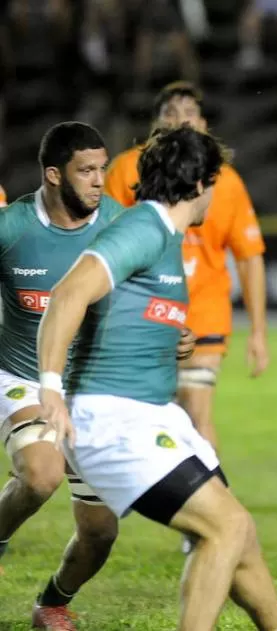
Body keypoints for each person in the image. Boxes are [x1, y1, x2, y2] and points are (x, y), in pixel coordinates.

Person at [37, 126, 277, 630]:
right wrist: (49, 388)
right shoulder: (145, 229)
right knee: (226, 527)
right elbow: (68, 296)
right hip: (113, 420)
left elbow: (124, 312)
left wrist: (169, 338)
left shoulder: (165, 235)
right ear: (200, 184)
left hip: (154, 413)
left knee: (240, 534)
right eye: (216, 182)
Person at [0, 122, 135, 629]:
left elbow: (149, 295)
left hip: (87, 389)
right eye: (87, 171)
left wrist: (174, 333)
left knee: (100, 530)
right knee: (40, 474)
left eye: (103, 169)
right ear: (54, 175)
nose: (99, 181)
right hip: (21, 376)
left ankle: (52, 602)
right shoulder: (11, 228)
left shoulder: (120, 226)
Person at [106, 80, 269, 458]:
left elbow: (249, 256)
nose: (180, 121)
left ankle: (216, 502)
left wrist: (258, 331)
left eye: (189, 113)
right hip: (141, 316)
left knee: (196, 413)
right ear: (154, 123)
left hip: (203, 314)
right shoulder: (125, 169)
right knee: (140, 418)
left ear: (204, 123)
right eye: (170, 113)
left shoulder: (226, 181)